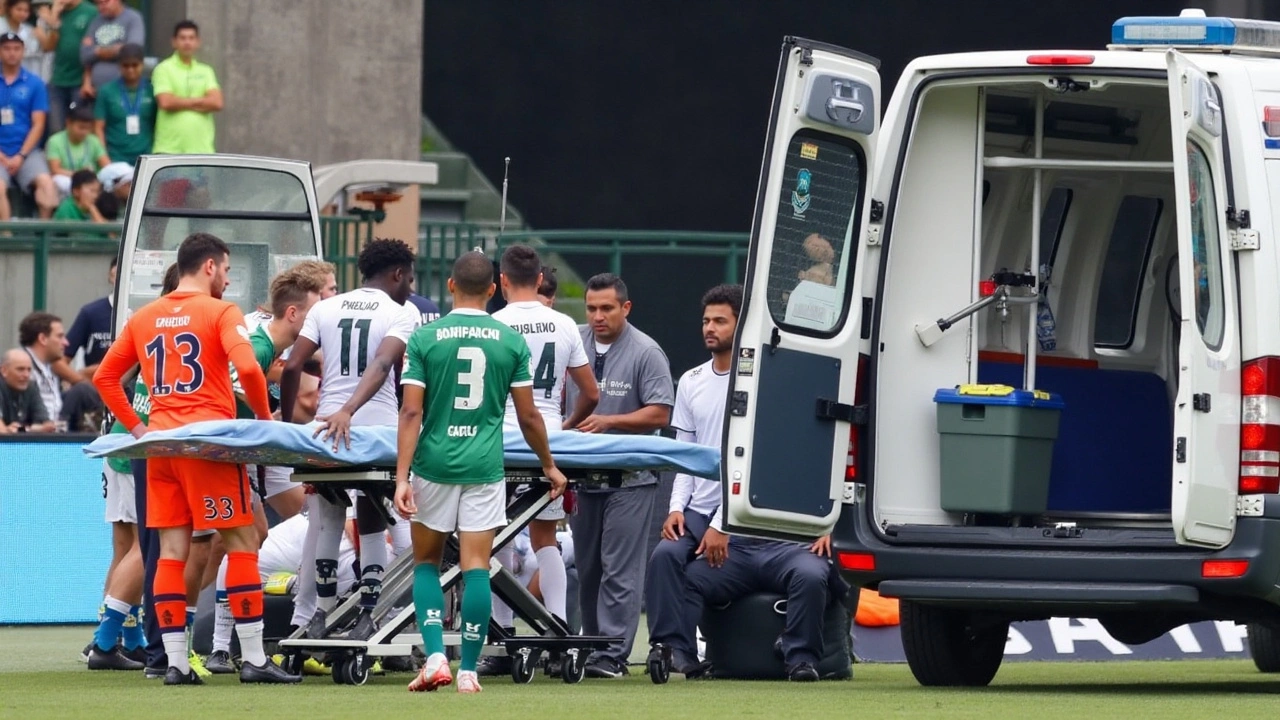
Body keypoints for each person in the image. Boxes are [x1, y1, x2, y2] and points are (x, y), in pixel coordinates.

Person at [93, 232, 301, 685]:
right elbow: (248, 369)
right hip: (208, 443)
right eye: (225, 270)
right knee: (243, 541)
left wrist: (139, 429)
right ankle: (254, 659)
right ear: (209, 266)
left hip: (161, 446)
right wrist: (266, 423)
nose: (227, 279)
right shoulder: (220, 311)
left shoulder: (145, 315)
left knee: (169, 552)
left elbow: (106, 377)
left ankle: (174, 664)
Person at [394, 250, 568, 694]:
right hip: (484, 467)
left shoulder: (425, 336)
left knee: (428, 564)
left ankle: (435, 656)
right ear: (493, 290)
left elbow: (411, 411)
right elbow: (530, 417)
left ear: (450, 286)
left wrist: (400, 477)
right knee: (476, 565)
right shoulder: (510, 341)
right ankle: (468, 670)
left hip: (433, 465)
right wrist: (549, 465)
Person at [279, 238, 420, 642]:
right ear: (396, 275)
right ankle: (369, 613)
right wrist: (352, 411)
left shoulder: (325, 307)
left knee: (329, 522)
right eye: (408, 279)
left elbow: (291, 367)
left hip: (326, 433)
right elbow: (381, 364)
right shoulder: (400, 312)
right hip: (375, 433)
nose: (410, 287)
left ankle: (321, 615)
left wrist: (292, 431)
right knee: (373, 520)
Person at [477, 245, 599, 678]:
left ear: (503, 281)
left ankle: (501, 639)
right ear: (539, 279)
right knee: (546, 537)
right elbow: (592, 393)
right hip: (547, 441)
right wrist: (562, 425)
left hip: (499, 442)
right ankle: (558, 630)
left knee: (493, 538)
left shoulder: (493, 323)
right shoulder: (565, 324)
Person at [204, 266, 324, 675]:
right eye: (318, 305)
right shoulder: (256, 345)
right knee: (241, 540)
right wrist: (261, 422)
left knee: (308, 521)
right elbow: (232, 390)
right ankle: (222, 646)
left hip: (251, 452)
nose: (324, 314)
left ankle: (298, 629)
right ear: (293, 313)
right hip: (235, 454)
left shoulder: (275, 347)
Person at [565, 272, 675, 678]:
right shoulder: (573, 339)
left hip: (630, 476)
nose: (597, 316)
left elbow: (661, 411)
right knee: (588, 566)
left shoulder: (647, 351)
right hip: (581, 475)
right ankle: (593, 646)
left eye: (607, 308)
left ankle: (612, 654)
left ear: (625, 308)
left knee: (619, 568)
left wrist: (609, 421)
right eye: (591, 308)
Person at [644, 284, 740, 678]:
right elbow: (684, 456)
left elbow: (750, 462)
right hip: (696, 508)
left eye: (720, 320)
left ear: (740, 324)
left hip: (738, 511)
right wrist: (675, 508)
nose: (710, 328)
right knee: (665, 557)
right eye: (706, 320)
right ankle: (672, 651)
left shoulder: (758, 381)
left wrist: (722, 524)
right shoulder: (691, 380)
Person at [0, 30, 56, 219]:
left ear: (23, 51)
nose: (12, 53)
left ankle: (43, 242)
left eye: (16, 48)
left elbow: (38, 124)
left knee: (47, 185)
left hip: (27, 151)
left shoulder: (35, 83)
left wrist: (21, 155)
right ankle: (7, 242)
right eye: (6, 48)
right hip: (0, 151)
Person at [151, 20, 221, 155]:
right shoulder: (163, 69)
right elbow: (166, 102)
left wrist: (181, 101)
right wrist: (201, 101)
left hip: (202, 150)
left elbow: (217, 103)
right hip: (169, 150)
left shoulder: (206, 71)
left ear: (198, 42)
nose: (187, 42)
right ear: (174, 42)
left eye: (191, 38)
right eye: (182, 38)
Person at [39, 0, 95, 134]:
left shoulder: (91, 11)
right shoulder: (57, 13)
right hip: (57, 79)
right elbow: (48, 47)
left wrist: (88, 79)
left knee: (79, 129)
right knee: (55, 129)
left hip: (80, 80)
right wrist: (54, 21)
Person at [93, 42, 152, 167]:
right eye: (126, 65)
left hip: (147, 156)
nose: (130, 69)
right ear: (119, 66)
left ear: (142, 64)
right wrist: (104, 156)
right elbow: (98, 127)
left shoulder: (152, 89)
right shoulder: (106, 91)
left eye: (135, 65)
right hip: (116, 156)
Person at [63, 256, 117, 381]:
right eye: (116, 272)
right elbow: (61, 359)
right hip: (97, 390)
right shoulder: (91, 313)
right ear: (110, 275)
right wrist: (79, 382)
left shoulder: (151, 314)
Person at [77, 0, 144, 99]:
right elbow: (84, 56)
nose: (102, 6)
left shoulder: (133, 18)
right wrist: (86, 81)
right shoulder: (96, 21)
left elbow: (132, 51)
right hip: (96, 91)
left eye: (106, 2)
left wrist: (97, 51)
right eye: (99, 3)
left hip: (123, 89)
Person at [47, 101, 108, 196]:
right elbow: (55, 170)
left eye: (88, 128)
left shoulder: (93, 140)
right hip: (68, 179)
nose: (84, 132)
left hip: (92, 180)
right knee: (62, 182)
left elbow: (106, 165)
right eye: (81, 128)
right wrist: (79, 175)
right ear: (68, 123)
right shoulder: (55, 141)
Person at [0, 346, 53, 431]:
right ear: (4, 371)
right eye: (20, 369)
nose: (26, 375)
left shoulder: (31, 387)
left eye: (29, 370)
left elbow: (47, 426)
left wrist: (23, 430)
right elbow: (2, 431)